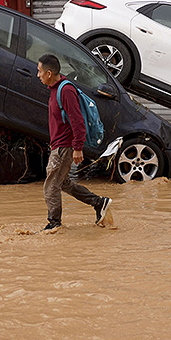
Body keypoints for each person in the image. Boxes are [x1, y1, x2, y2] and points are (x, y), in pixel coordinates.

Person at [37, 53, 112, 232]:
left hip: (64, 146)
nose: (37, 75)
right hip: (59, 145)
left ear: (48, 73)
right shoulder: (55, 90)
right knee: (63, 183)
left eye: (39, 71)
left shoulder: (66, 90)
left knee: (51, 184)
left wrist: (78, 148)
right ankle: (99, 203)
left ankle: (54, 223)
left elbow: (77, 121)